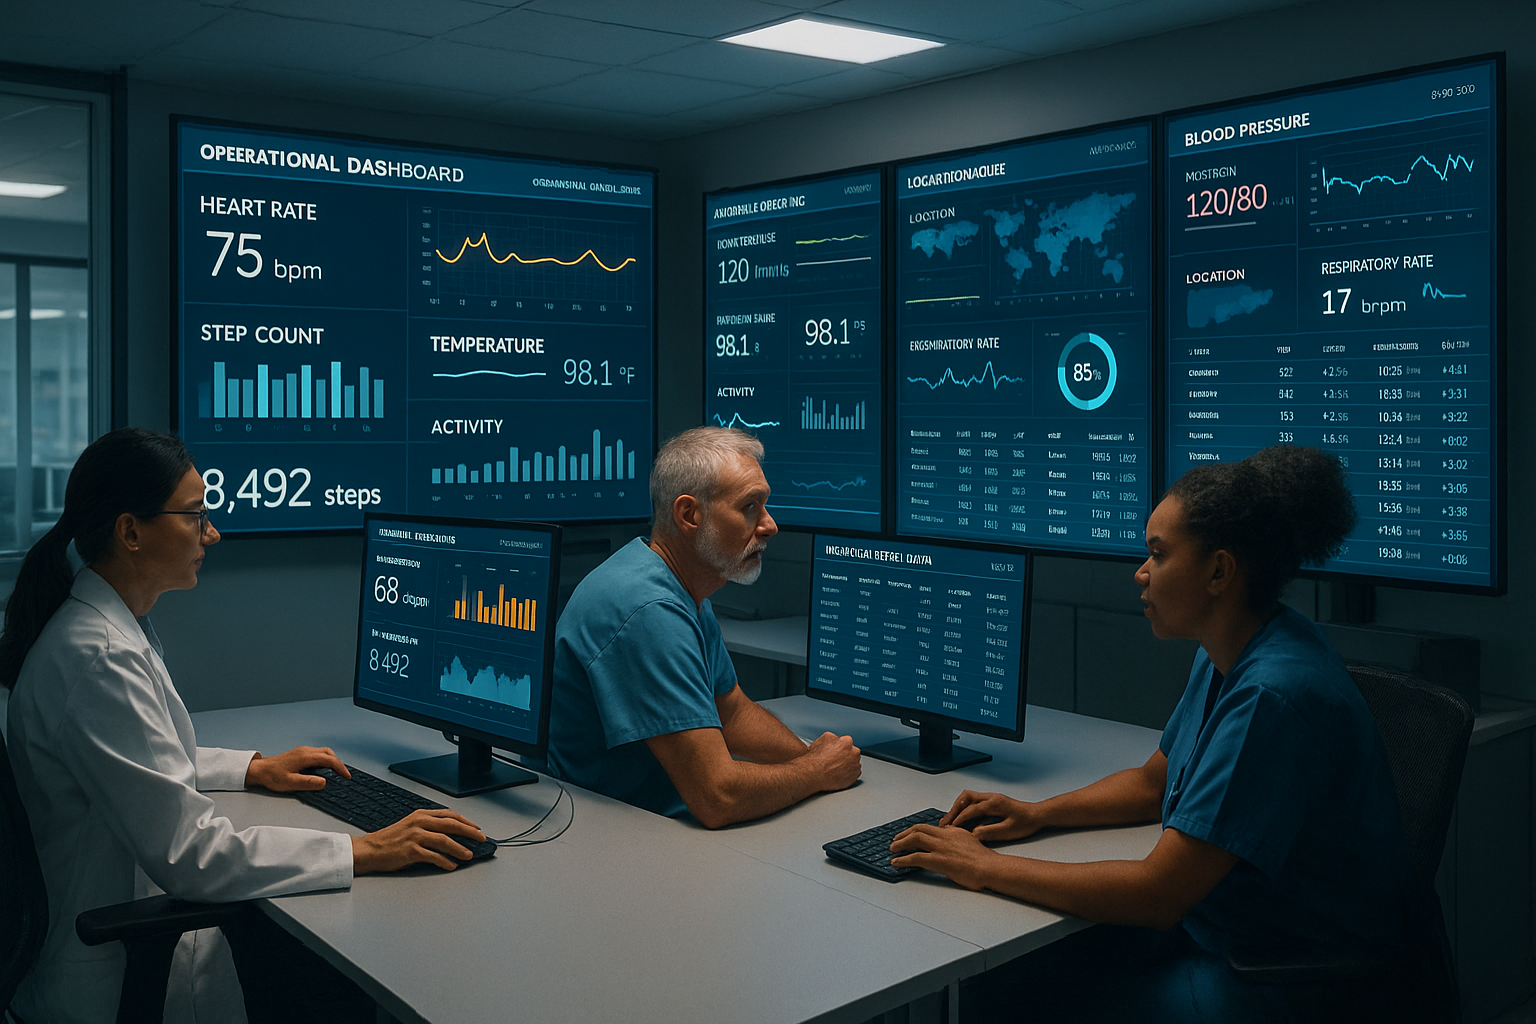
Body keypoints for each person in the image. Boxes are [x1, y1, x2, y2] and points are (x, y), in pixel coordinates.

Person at [889, 445, 1409, 1022]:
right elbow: (1151, 783)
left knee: (1013, 1001)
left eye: (1157, 555)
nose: (1140, 573)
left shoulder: (1273, 693)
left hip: (1282, 975)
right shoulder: (1229, 653)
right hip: (1226, 932)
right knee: (1008, 984)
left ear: (1218, 571)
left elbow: (1159, 894)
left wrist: (983, 867)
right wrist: (1038, 813)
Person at [2, 428, 488, 1024]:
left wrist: (254, 768)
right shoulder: (98, 655)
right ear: (130, 531)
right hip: (113, 982)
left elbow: (135, 754)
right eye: (195, 515)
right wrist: (363, 849)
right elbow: (192, 855)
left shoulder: (102, 626)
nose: (213, 533)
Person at [544, 426, 861, 827]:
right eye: (750, 507)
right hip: (613, 834)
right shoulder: (649, 610)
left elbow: (732, 712)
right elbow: (718, 796)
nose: (769, 525)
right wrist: (816, 772)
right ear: (689, 515)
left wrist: (813, 756)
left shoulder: (680, 584)